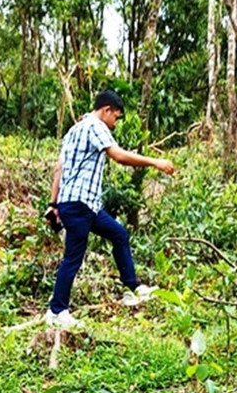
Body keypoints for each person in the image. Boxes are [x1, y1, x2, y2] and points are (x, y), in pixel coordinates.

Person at [45, 88, 176, 322]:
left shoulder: (73, 130)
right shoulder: (96, 126)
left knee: (119, 233)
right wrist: (155, 162)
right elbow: (118, 155)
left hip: (83, 205)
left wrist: (53, 204)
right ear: (106, 110)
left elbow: (59, 168)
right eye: (115, 117)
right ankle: (56, 311)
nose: (115, 124)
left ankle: (134, 287)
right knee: (73, 257)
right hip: (79, 205)